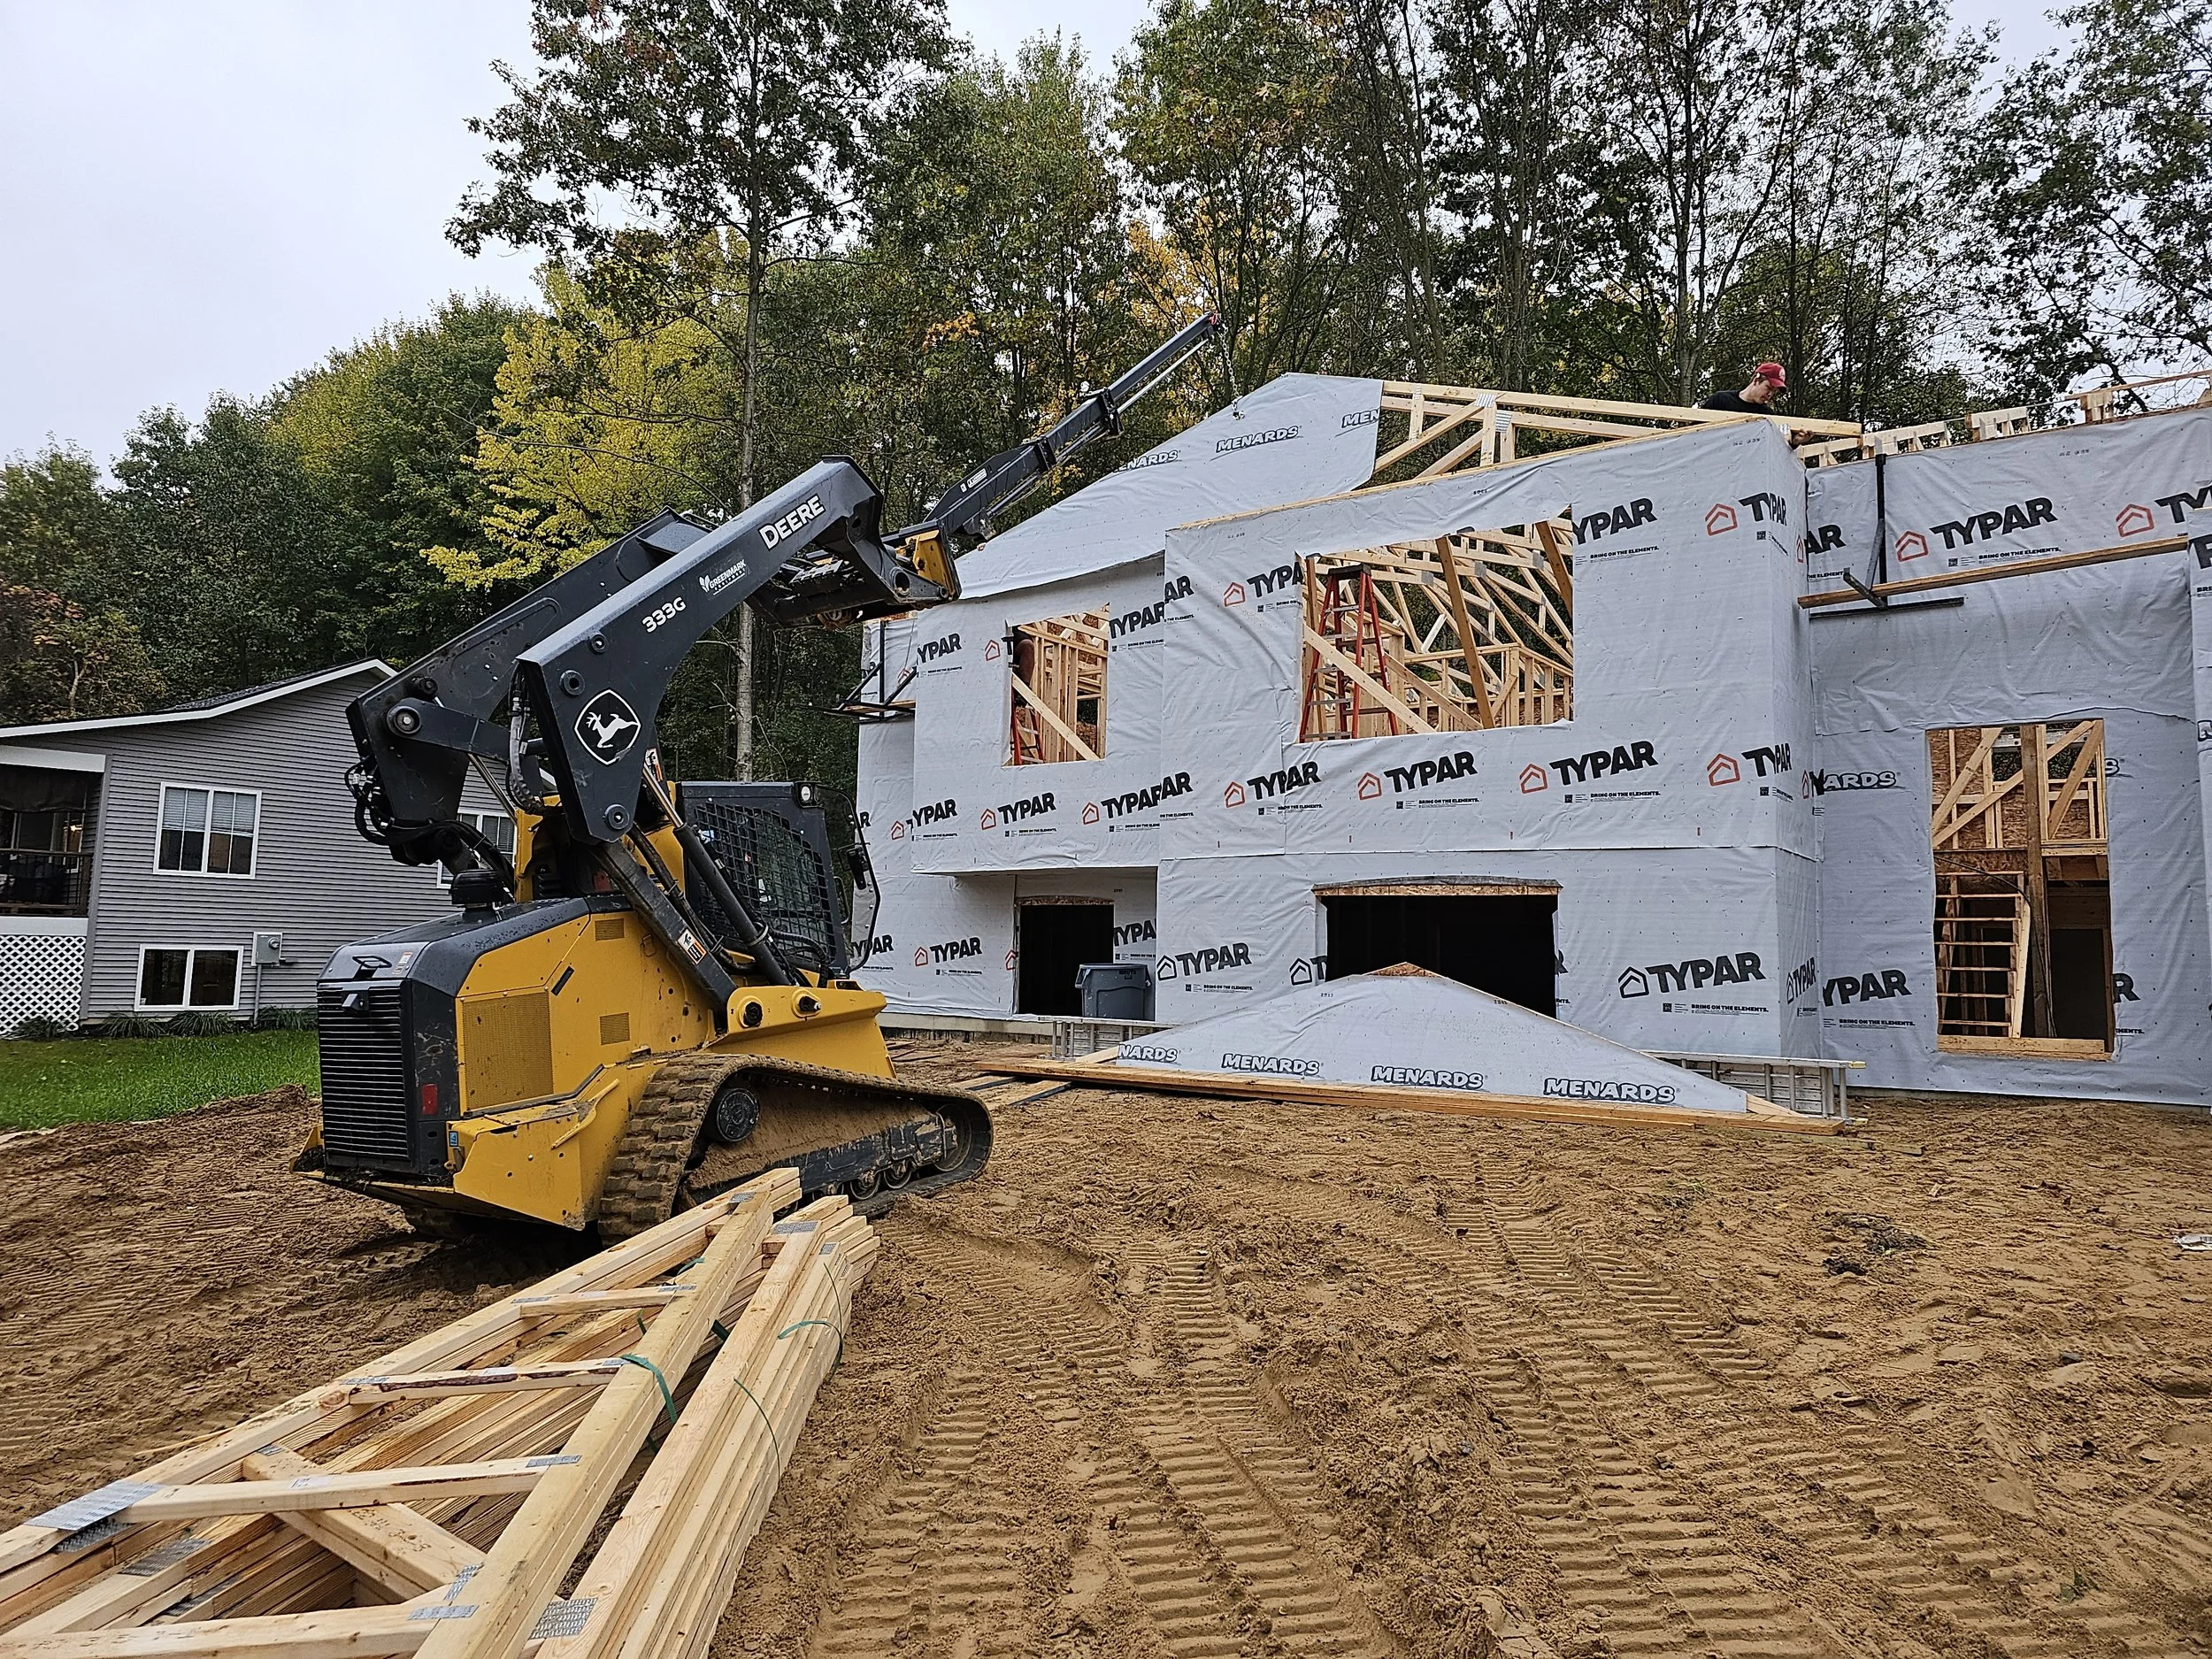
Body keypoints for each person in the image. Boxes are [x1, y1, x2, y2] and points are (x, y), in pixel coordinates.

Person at [1699, 361, 1787, 414]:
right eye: (1768, 388)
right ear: (1756, 380)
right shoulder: (1721, 400)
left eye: (1774, 391)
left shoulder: (1766, 414)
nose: (1770, 394)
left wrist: (1794, 443)